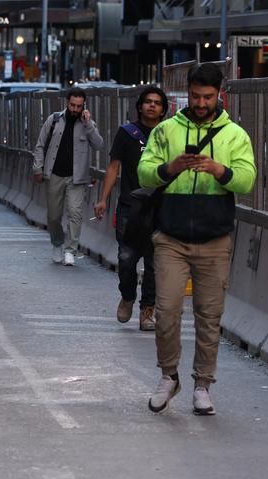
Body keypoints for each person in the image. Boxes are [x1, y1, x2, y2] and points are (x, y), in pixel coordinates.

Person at [138, 63, 256, 415]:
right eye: (194, 96)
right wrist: (169, 168)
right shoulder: (166, 130)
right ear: (185, 94)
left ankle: (203, 384)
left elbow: (247, 180)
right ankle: (168, 376)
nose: (201, 103)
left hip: (215, 239)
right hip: (170, 237)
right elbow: (144, 174)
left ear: (220, 95)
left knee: (209, 315)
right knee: (167, 309)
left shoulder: (234, 135)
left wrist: (220, 171)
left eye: (207, 97)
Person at [94, 87, 168, 331]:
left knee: (154, 264)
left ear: (163, 109)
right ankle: (127, 296)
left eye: (157, 103)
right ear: (140, 106)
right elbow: (114, 167)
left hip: (160, 208)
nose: (152, 106)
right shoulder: (127, 133)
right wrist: (103, 199)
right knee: (126, 259)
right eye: (147, 102)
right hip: (130, 207)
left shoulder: (168, 134)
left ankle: (148, 310)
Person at [33, 88, 104, 265]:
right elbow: (40, 145)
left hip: (77, 178)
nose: (75, 109)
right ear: (67, 103)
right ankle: (57, 243)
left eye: (79, 106)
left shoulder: (88, 124)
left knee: (75, 213)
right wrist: (38, 168)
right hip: (54, 174)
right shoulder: (54, 120)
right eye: (72, 105)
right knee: (54, 216)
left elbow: (99, 145)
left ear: (83, 106)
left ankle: (70, 250)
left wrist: (88, 124)